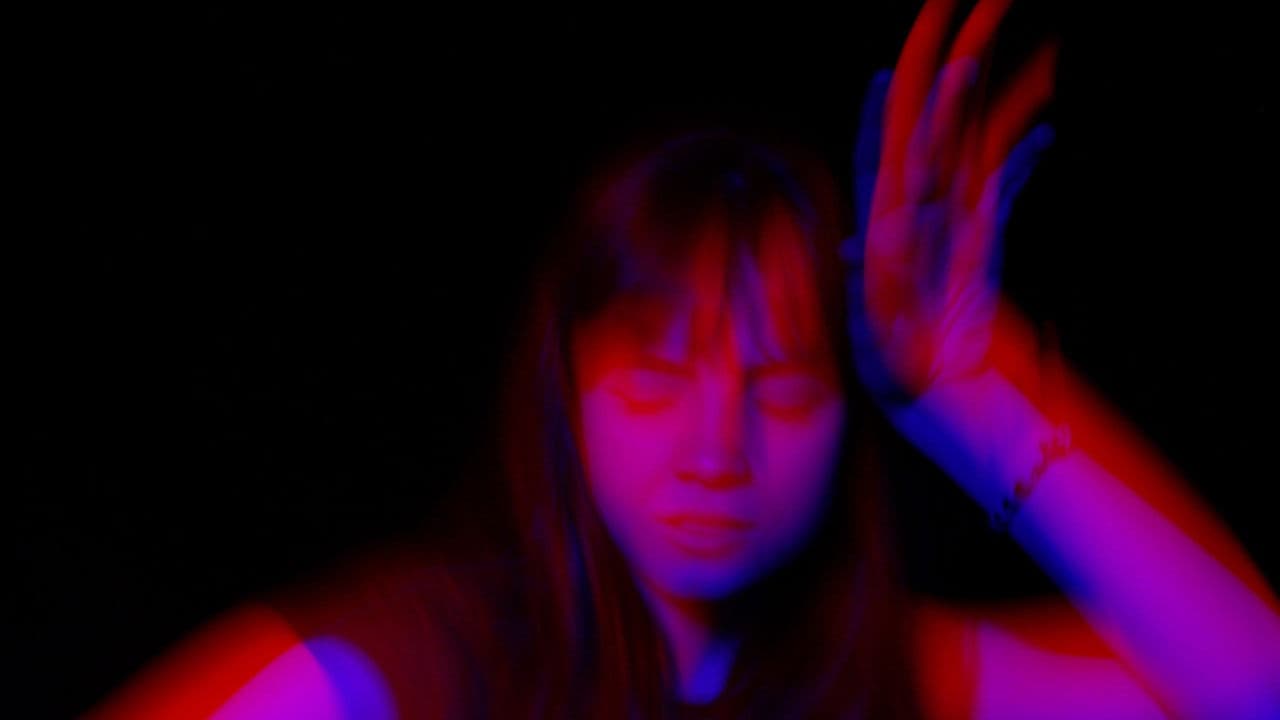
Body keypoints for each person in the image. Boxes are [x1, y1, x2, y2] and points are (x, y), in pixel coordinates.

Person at [90, 2, 1280, 717]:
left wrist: (975, 386)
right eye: (657, 374)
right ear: (565, 392)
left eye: (784, 384)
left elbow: (1257, 687)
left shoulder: (881, 673)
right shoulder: (427, 655)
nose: (718, 446)